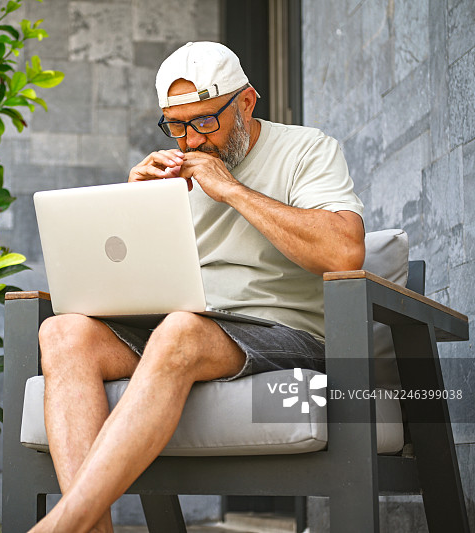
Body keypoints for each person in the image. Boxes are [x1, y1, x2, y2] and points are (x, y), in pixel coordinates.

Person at [28, 42, 365, 533]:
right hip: (186, 326)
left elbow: (344, 252)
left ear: (246, 102)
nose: (191, 141)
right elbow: (142, 283)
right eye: (176, 125)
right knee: (62, 333)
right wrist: (132, 208)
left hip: (283, 332)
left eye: (205, 121)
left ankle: (60, 525)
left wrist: (230, 189)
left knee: (180, 330)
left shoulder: (307, 149)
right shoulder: (171, 172)